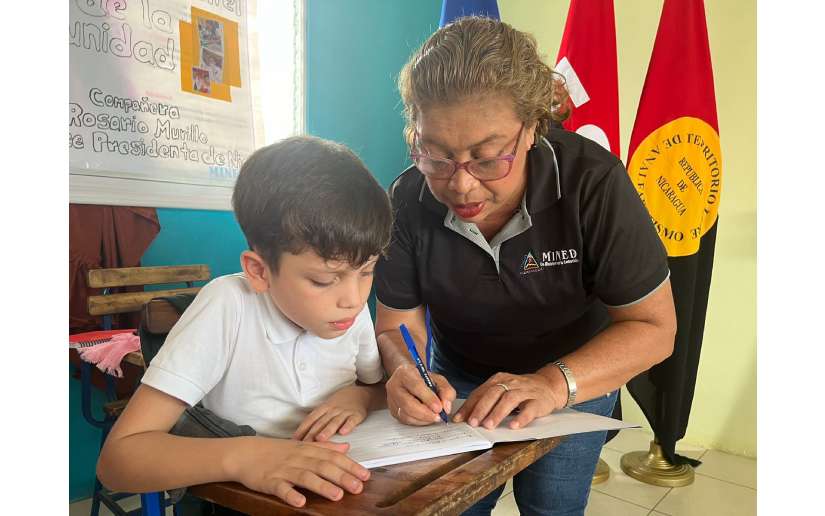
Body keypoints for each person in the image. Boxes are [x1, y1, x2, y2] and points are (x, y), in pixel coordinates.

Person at [374, 17, 677, 516]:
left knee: (552, 505)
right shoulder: (407, 199)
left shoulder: (592, 182)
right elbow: (396, 323)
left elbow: (654, 328)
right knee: (456, 505)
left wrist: (554, 384)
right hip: (457, 376)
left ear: (533, 128)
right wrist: (407, 369)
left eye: (488, 158)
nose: (462, 186)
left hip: (574, 371)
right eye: (437, 157)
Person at [97, 135, 393, 510]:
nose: (353, 297)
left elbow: (378, 386)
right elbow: (119, 459)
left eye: (367, 271)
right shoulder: (228, 307)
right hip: (236, 502)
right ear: (259, 271)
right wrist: (246, 457)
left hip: (334, 494)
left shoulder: (349, 311)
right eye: (323, 280)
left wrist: (360, 397)